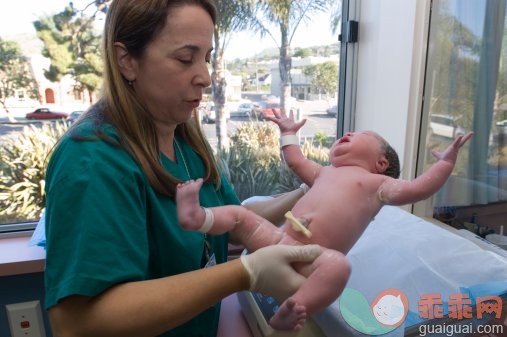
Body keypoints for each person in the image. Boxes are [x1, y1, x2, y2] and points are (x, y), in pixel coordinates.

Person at [43, 2, 323, 337]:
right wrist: (243, 273)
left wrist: (311, 190)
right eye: (185, 58)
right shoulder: (92, 160)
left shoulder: (183, 139)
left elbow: (233, 219)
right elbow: (76, 323)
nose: (205, 77)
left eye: (206, 57)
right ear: (127, 61)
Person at [176, 110, 474, 331]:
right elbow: (295, 160)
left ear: (381, 163)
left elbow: (419, 188)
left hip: (311, 259)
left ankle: (295, 307)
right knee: (241, 214)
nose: (347, 134)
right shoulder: (323, 173)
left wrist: (445, 163)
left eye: (359, 137)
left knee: (339, 266)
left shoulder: (377, 186)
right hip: (278, 240)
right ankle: (197, 217)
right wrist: (289, 132)